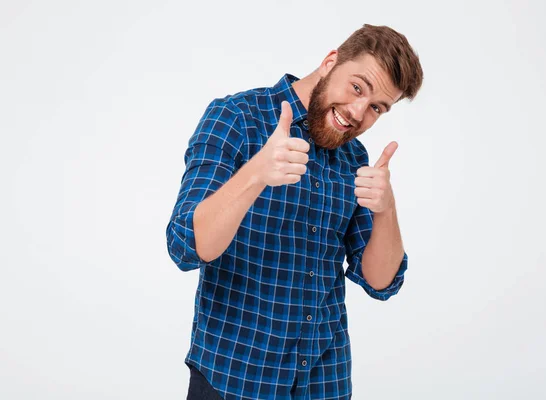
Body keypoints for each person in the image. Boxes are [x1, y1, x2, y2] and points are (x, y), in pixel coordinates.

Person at [166, 23, 423, 400]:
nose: (356, 113)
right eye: (357, 87)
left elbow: (382, 283)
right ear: (330, 61)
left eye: (376, 108)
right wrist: (255, 174)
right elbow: (185, 245)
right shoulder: (236, 118)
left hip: (324, 383)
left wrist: (386, 208)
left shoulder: (355, 157)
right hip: (234, 381)